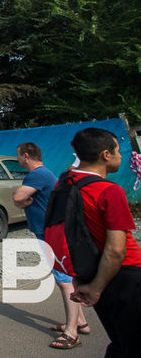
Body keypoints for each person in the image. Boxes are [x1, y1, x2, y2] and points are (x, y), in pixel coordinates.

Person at [64, 128, 141, 356]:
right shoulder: (109, 191)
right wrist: (96, 289)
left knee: (120, 340)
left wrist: (82, 280)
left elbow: (69, 234)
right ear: (105, 155)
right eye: (117, 150)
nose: (120, 156)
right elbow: (116, 249)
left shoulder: (66, 185)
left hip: (90, 272)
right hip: (125, 275)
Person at [12, 142, 89, 348]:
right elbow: (21, 200)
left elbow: (18, 197)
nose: (17, 159)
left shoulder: (37, 175)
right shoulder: (44, 174)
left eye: (18, 156)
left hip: (50, 233)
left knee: (64, 281)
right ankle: (80, 322)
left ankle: (71, 333)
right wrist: (21, 202)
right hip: (49, 231)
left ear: (26, 156)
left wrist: (19, 201)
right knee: (65, 278)